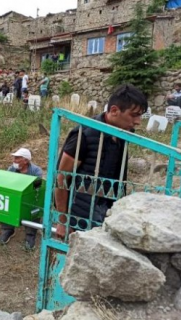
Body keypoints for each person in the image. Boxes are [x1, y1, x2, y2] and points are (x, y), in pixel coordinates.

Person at [55, 84, 148, 238]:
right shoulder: (83, 135)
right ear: (114, 110)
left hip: (108, 209)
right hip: (81, 214)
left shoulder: (122, 134)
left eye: (140, 116)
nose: (138, 122)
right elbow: (62, 178)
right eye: (134, 115)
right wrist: (62, 220)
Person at [0, 148, 43, 250]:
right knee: (6, 203)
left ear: (26, 161)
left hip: (30, 199)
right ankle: (8, 229)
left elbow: (37, 189)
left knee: (34, 209)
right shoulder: (11, 169)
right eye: (14, 157)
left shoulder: (36, 171)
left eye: (17, 158)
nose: (14, 160)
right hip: (15, 197)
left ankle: (30, 235)